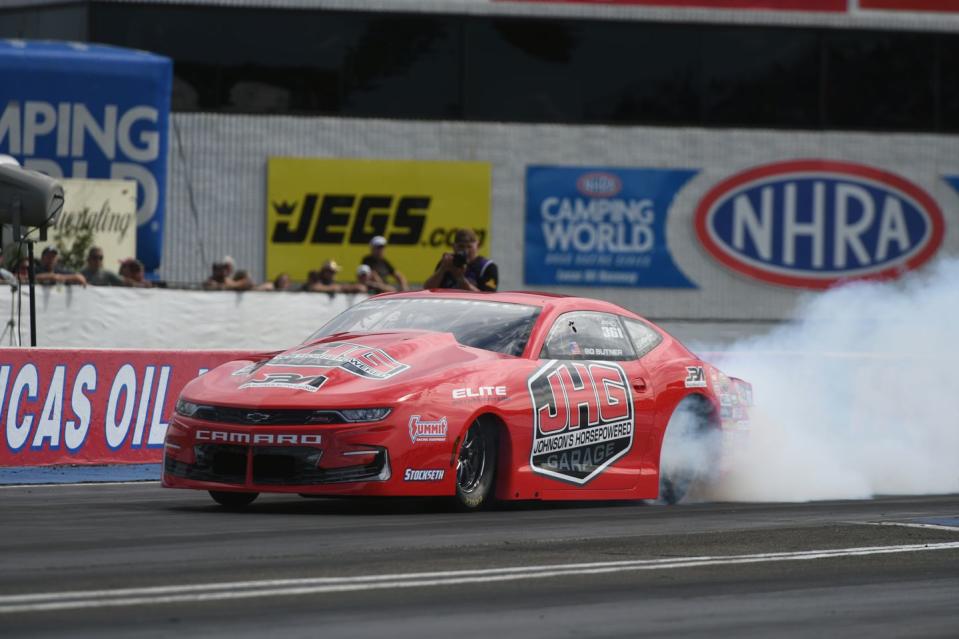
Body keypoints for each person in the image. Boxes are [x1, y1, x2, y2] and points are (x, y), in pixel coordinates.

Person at [423, 228, 497, 292]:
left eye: (469, 247)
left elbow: (486, 297)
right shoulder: (448, 262)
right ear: (454, 246)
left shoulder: (487, 267)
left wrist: (460, 278)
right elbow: (428, 290)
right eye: (461, 246)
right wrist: (442, 270)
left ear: (477, 246)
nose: (465, 250)